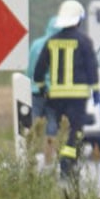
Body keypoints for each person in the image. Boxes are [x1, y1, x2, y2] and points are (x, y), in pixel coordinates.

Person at [32, 0, 99, 178]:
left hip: (56, 96)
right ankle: (68, 162)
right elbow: (91, 66)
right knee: (75, 131)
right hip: (78, 96)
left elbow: (39, 70)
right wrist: (96, 90)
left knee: (61, 129)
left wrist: (41, 88)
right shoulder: (84, 41)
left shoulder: (51, 42)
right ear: (79, 20)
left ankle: (62, 158)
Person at [26, 18, 60, 165]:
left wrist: (30, 82)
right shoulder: (62, 45)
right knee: (52, 126)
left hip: (35, 90)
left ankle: (28, 157)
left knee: (32, 123)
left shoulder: (37, 44)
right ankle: (48, 160)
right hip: (54, 92)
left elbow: (29, 68)